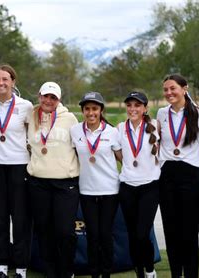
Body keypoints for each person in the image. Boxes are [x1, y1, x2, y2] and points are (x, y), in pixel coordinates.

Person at [0, 65, 33, 278]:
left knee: (20, 219)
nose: (1, 83)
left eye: (5, 79)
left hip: (19, 166)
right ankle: (2, 264)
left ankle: (21, 268)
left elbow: (32, 133)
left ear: (13, 81)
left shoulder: (25, 105)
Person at [27, 81, 80, 278]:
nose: (48, 101)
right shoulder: (30, 115)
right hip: (38, 182)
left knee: (65, 232)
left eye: (53, 97)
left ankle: (67, 271)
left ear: (59, 100)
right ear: (39, 96)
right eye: (45, 96)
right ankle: (50, 271)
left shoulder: (70, 118)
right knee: (43, 230)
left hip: (65, 183)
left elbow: (79, 146)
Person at [156, 74, 199, 278]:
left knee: (189, 230)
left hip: (190, 174)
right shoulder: (161, 113)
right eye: (166, 89)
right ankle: (176, 273)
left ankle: (191, 273)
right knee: (171, 229)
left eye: (173, 88)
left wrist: (191, 162)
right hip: (167, 174)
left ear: (184, 88)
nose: (169, 93)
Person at [70, 92, 121, 278]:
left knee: (105, 234)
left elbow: (123, 159)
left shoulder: (112, 132)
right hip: (86, 190)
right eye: (87, 109)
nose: (91, 112)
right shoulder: (75, 131)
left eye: (95, 109)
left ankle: (106, 272)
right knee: (92, 235)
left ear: (101, 110)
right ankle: (94, 273)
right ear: (83, 110)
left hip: (110, 190)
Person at [117, 91, 160, 278]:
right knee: (133, 233)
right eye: (129, 105)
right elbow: (118, 153)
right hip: (127, 185)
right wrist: (129, 164)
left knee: (143, 233)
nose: (132, 109)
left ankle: (150, 269)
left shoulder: (156, 125)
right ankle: (140, 271)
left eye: (137, 105)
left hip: (150, 186)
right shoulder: (119, 128)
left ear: (145, 108)